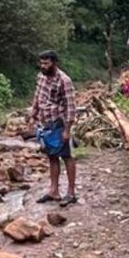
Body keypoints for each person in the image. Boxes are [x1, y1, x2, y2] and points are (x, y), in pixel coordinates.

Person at [30, 50, 78, 206]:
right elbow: (38, 95)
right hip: (46, 123)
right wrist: (34, 114)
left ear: (54, 63)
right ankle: (54, 190)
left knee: (67, 156)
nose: (43, 66)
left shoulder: (64, 81)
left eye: (46, 63)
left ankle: (70, 192)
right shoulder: (41, 76)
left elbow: (71, 107)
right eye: (41, 63)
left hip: (60, 122)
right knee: (51, 155)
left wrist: (67, 130)